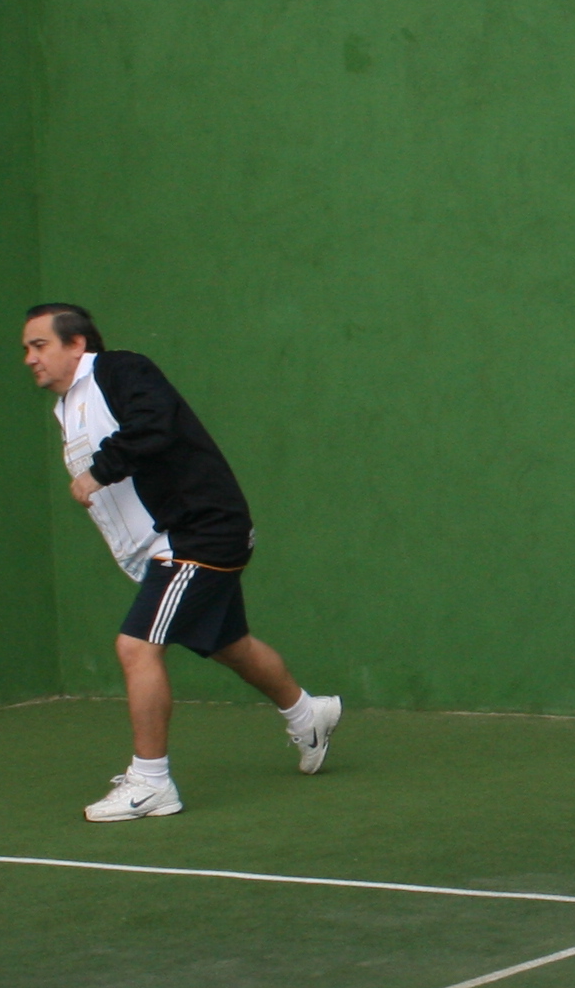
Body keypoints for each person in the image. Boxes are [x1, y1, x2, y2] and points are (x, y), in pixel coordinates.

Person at [18, 302, 340, 820]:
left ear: (76, 344)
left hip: (199, 532)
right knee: (229, 644)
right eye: (27, 349)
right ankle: (308, 713)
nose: (30, 358)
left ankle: (151, 782)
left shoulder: (120, 370)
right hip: (174, 539)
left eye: (40, 345)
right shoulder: (68, 406)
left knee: (136, 646)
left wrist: (97, 472)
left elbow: (154, 425)